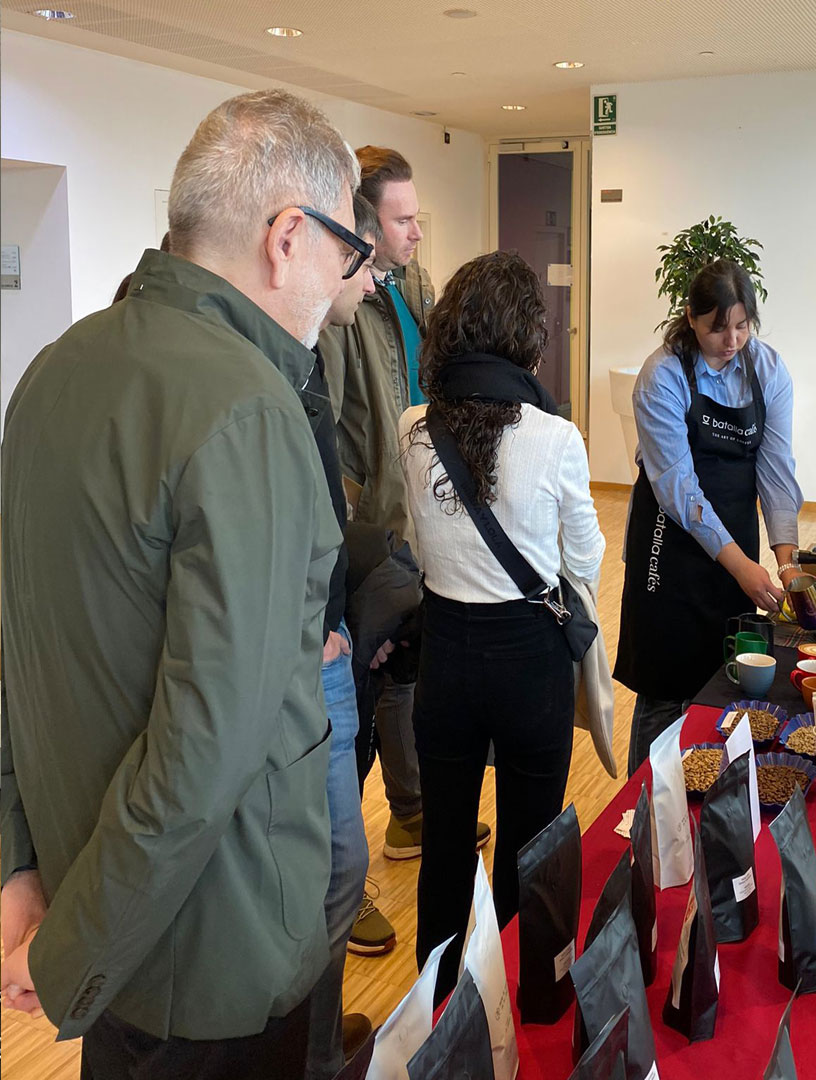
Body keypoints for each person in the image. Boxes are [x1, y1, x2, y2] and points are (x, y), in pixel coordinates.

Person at [0, 89, 367, 1080]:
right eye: (346, 254)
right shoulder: (250, 406)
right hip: (221, 953)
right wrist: (69, 948)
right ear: (289, 236)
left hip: (103, 915)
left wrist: (20, 870)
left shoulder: (49, 371)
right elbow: (206, 751)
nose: (342, 287)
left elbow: (14, 652)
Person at [399, 251, 605, 997]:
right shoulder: (556, 437)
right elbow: (584, 557)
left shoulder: (411, 425)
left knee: (446, 847)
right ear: (525, 337)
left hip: (447, 655)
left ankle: (438, 1004)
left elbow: (422, 546)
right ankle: (530, 1003)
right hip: (529, 660)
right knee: (531, 838)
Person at [320, 146, 489, 956]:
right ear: (362, 225)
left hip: (421, 522)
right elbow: (337, 441)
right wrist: (366, 540)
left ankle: (412, 814)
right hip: (373, 534)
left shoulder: (411, 285)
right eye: (401, 219)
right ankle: (338, 891)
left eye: (418, 216)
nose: (417, 231)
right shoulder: (340, 309)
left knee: (404, 672)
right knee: (353, 700)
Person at [613, 259, 805, 776]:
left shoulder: (767, 370)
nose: (732, 339)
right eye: (718, 326)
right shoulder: (662, 376)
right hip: (668, 549)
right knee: (663, 689)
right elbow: (679, 491)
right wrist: (741, 565)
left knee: (725, 682)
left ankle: (711, 806)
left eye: (742, 325)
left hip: (733, 540)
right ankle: (641, 814)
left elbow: (776, 470)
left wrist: (786, 563)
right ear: (692, 318)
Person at [303, 191, 379, 1080]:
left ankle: (315, 1046)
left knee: (333, 860)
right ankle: (313, 1055)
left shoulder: (303, 354)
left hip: (328, 625)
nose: (366, 270)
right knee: (331, 864)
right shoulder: (281, 362)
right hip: (308, 649)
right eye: (356, 247)